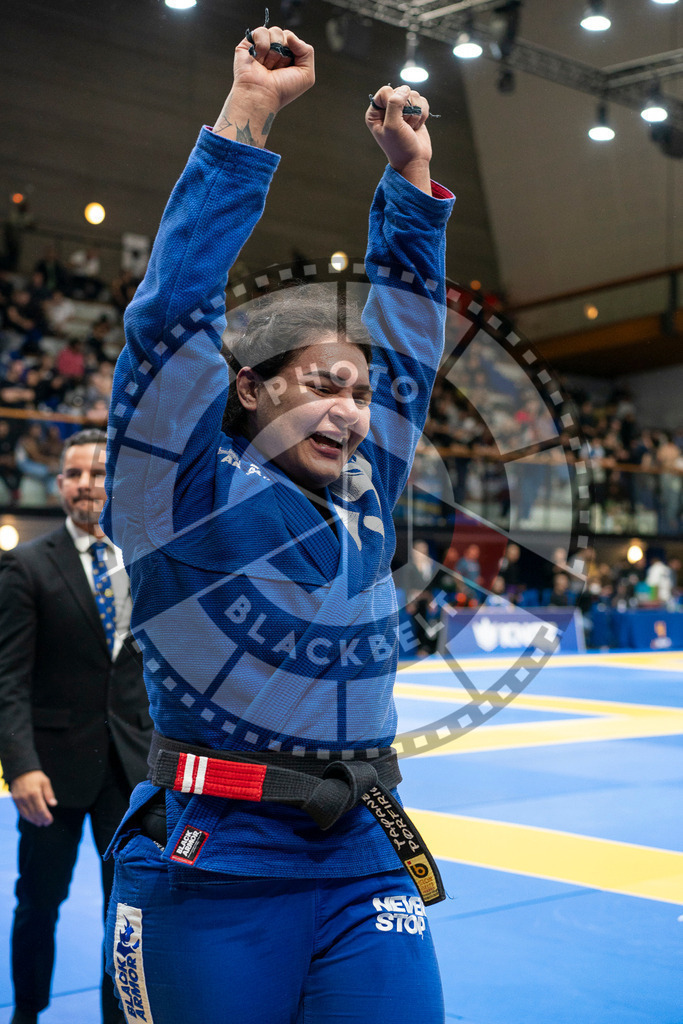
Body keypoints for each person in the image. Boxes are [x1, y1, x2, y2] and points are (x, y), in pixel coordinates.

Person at [103, 21, 453, 1024]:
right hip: (214, 857)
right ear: (249, 388)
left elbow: (407, 348)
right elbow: (169, 316)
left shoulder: (365, 492)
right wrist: (248, 113)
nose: (351, 411)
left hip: (363, 848)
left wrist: (409, 183)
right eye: (322, 387)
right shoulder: (178, 490)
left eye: (358, 394)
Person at [0, 429, 153, 1024]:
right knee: (38, 903)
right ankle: (26, 1012)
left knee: (128, 911)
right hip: (51, 773)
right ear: (60, 484)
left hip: (131, 771)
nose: (86, 484)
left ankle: (118, 1016)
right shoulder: (26, 565)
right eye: (74, 474)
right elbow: (8, 679)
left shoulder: (146, 562)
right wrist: (21, 766)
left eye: (98, 473)